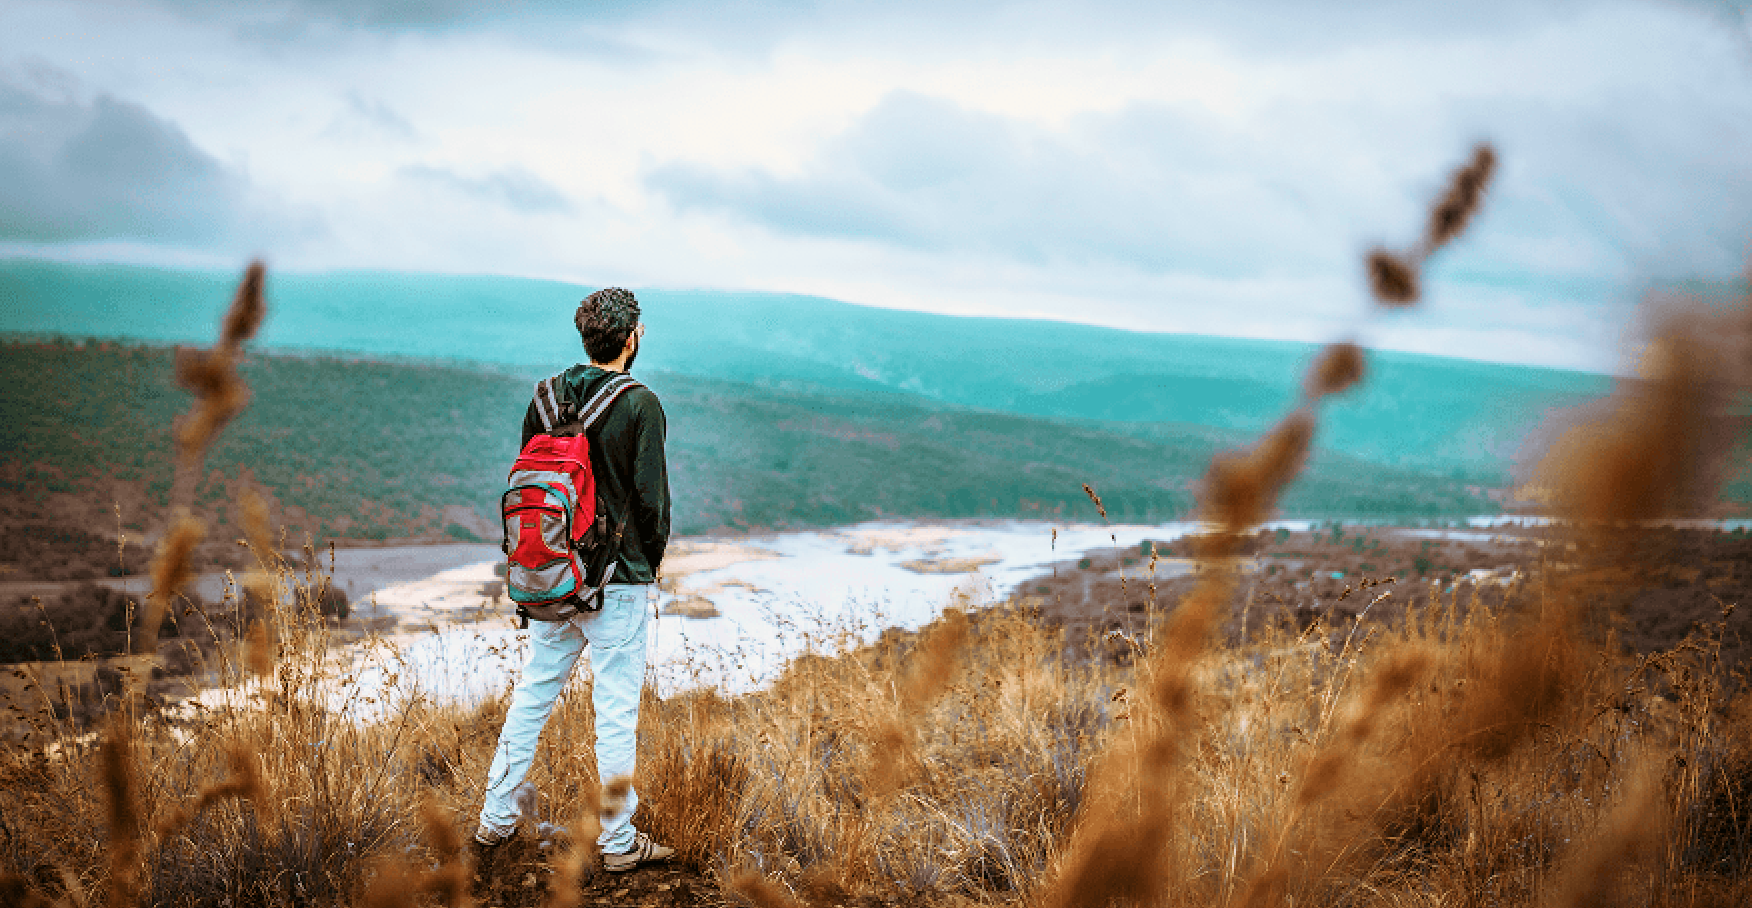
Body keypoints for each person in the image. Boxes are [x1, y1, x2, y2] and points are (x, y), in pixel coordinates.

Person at [474, 287, 674, 873]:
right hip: (620, 581)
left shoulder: (543, 398)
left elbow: (527, 487)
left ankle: (493, 821)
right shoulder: (641, 404)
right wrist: (647, 565)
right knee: (614, 713)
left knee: (532, 696)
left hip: (554, 577)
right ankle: (617, 845)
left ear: (585, 337)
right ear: (632, 337)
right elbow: (652, 503)